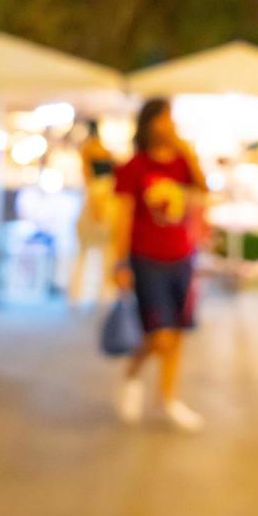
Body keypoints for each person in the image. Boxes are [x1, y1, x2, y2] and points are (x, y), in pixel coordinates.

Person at [113, 98, 207, 432]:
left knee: (178, 332)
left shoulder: (182, 162)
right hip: (146, 258)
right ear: (149, 123)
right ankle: (134, 373)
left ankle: (168, 399)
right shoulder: (134, 167)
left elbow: (202, 188)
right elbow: (122, 216)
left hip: (181, 255)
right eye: (162, 119)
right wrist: (120, 262)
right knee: (160, 334)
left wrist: (188, 150)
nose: (168, 126)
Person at [71, 120, 117, 308]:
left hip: (101, 199)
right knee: (101, 252)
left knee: (97, 252)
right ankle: (97, 293)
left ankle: (99, 292)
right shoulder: (100, 150)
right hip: (101, 200)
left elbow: (87, 176)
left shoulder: (90, 150)